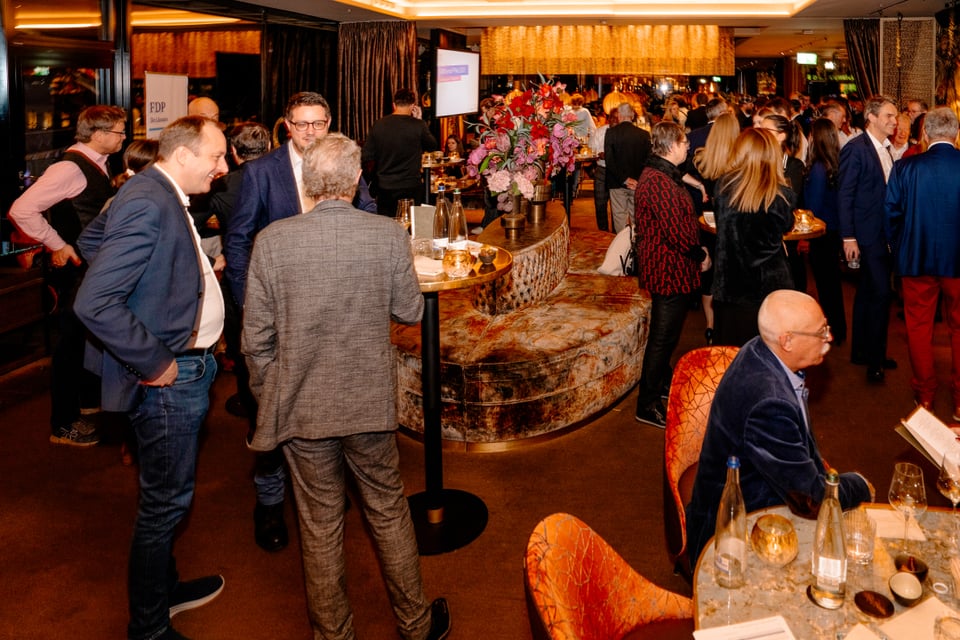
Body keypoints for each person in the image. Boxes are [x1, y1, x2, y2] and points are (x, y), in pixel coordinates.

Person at [242, 133, 451, 640]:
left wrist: (275, 393)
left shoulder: (272, 241)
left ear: (307, 182)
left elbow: (255, 341)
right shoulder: (386, 234)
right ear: (357, 179)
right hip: (367, 400)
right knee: (388, 510)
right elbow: (409, 310)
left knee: (319, 524)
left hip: (301, 405)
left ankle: (333, 635)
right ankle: (417, 625)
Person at [74, 116, 229, 640]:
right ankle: (148, 628)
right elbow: (94, 302)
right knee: (164, 506)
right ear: (183, 155)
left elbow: (91, 239)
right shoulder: (147, 198)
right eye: (215, 156)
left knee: (164, 497)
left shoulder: (151, 190)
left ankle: (165, 591)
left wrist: (159, 288)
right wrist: (156, 359)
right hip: (170, 375)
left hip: (184, 366)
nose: (222, 167)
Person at [224, 91, 373, 552]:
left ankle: (324, 486)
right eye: (302, 124)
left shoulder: (346, 162)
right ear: (286, 125)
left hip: (336, 309)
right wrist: (249, 305)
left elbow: (367, 213)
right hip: (278, 312)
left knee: (327, 404)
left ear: (330, 123)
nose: (311, 132)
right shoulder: (261, 172)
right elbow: (238, 240)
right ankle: (269, 501)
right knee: (271, 410)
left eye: (319, 123)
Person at [685, 290, 874, 565]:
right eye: (821, 332)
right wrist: (860, 485)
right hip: (732, 533)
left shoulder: (759, 348)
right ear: (787, 341)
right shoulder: (770, 403)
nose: (829, 338)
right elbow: (810, 500)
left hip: (750, 494)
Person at [8, 104, 126, 447]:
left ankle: (86, 404)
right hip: (76, 270)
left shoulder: (97, 163)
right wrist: (58, 244)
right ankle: (62, 425)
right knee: (69, 346)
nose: (123, 137)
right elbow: (21, 210)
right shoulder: (69, 168)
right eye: (119, 132)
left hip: (90, 267)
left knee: (86, 339)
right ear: (98, 134)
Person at [633, 122, 710, 427]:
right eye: (684, 142)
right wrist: (700, 254)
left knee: (668, 335)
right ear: (670, 146)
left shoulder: (664, 173)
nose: (688, 146)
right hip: (666, 269)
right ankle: (647, 404)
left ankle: (661, 383)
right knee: (662, 338)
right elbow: (676, 232)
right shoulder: (658, 181)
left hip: (671, 266)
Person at [886, 107, 960, 415]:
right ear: (956, 135)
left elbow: (891, 214)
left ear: (925, 134)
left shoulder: (905, 167)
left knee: (918, 327)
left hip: (916, 257)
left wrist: (900, 248)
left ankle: (925, 396)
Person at [711, 128, 795, 346]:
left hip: (730, 284)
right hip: (768, 288)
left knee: (730, 353)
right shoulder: (780, 195)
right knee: (768, 353)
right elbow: (787, 225)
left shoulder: (723, 187)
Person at [839, 95, 900, 383]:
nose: (895, 121)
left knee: (866, 292)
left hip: (882, 233)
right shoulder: (856, 149)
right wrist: (848, 236)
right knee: (881, 294)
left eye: (895, 116)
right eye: (889, 116)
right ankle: (875, 360)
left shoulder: (885, 149)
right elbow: (845, 195)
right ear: (871, 117)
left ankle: (862, 351)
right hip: (866, 234)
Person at [690, 112, 740, 344]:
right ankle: (725, 327)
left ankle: (710, 326)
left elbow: (677, 172)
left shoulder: (702, 158)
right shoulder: (739, 162)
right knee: (728, 275)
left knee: (708, 277)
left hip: (706, 223)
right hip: (729, 226)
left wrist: (699, 185)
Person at [804, 118, 848, 345]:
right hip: (833, 230)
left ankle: (834, 330)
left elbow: (813, 206)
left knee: (826, 284)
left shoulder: (819, 168)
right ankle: (837, 328)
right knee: (831, 283)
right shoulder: (835, 163)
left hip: (822, 233)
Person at [362, 87, 438, 218]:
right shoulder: (418, 125)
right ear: (413, 106)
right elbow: (432, 146)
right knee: (412, 224)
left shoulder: (379, 124)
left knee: (388, 223)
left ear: (394, 105)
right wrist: (420, 120)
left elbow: (366, 155)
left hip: (385, 187)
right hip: (411, 186)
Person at [604, 102, 652, 233]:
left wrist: (624, 179)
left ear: (619, 115)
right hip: (637, 182)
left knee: (619, 216)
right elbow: (648, 161)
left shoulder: (611, 133)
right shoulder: (644, 134)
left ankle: (621, 244)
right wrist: (637, 180)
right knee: (637, 216)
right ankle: (637, 242)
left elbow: (609, 161)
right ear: (632, 116)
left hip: (616, 182)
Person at [589, 108, 616, 231]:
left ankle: (617, 233)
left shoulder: (622, 133)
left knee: (617, 205)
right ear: (609, 118)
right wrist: (599, 154)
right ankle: (603, 231)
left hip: (616, 171)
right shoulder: (600, 131)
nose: (615, 120)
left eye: (617, 118)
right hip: (602, 169)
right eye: (613, 118)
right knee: (600, 203)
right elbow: (591, 148)